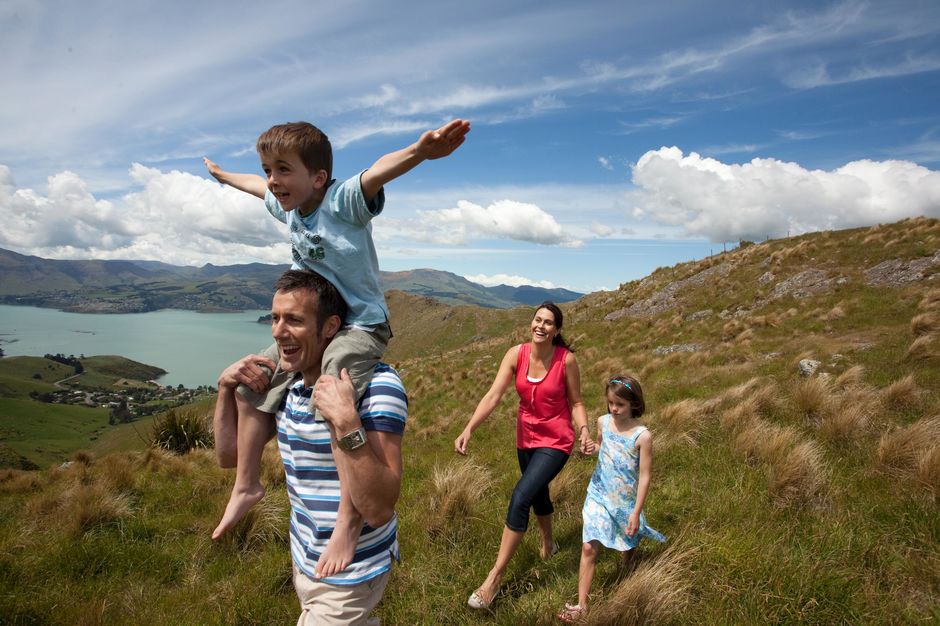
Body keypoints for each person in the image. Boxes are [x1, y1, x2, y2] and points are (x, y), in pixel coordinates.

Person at [204, 118, 469, 547]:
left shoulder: (341, 201)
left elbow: (377, 171)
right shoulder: (286, 204)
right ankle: (246, 485)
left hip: (361, 324)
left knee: (332, 390)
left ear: (319, 177)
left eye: (284, 169)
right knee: (253, 379)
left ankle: (348, 517)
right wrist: (221, 176)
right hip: (314, 326)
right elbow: (253, 185)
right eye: (270, 168)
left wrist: (420, 152)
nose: (273, 180)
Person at [214, 269, 407, 625]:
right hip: (303, 554)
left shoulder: (379, 388)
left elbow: (380, 508)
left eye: (294, 320)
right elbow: (230, 457)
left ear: (331, 327)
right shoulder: (287, 384)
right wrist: (225, 389)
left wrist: (348, 423)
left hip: (352, 571)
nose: (277, 331)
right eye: (275, 318)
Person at [454, 302, 595, 610]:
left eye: (548, 323)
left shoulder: (566, 360)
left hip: (556, 441)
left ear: (557, 330)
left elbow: (576, 401)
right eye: (537, 319)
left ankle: (494, 579)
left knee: (521, 496)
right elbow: (493, 395)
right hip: (525, 440)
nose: (540, 326)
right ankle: (548, 542)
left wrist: (584, 429)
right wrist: (469, 429)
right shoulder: (515, 355)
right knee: (537, 492)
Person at [557, 374, 667, 623]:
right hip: (597, 493)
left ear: (634, 404)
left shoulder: (642, 436)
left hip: (624, 501)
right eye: (610, 403)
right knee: (588, 547)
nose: (614, 409)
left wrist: (636, 512)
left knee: (628, 540)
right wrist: (590, 449)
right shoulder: (603, 422)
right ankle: (582, 605)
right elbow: (600, 447)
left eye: (620, 404)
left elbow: (645, 476)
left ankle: (630, 562)